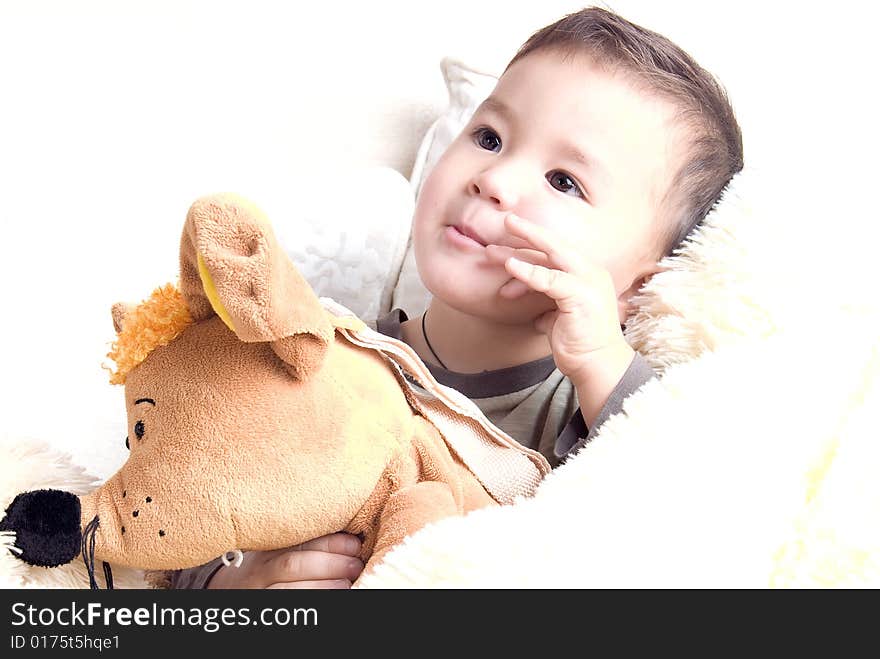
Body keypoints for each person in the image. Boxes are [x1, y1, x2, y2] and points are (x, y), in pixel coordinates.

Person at [171, 5, 743, 589]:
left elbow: (689, 514)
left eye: (563, 181)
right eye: (489, 137)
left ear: (634, 290)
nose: (493, 180)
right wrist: (229, 583)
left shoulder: (588, 408)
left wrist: (601, 364)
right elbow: (184, 507)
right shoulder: (329, 357)